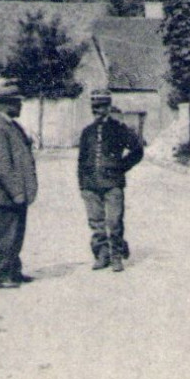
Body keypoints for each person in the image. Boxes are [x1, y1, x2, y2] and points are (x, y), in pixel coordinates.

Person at [0, 80, 38, 289]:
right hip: (5, 194)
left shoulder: (10, 125)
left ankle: (12, 270)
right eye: (17, 102)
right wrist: (17, 192)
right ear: (5, 103)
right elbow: (1, 166)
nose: (20, 106)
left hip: (14, 193)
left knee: (15, 233)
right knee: (5, 234)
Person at [76, 90, 144, 272]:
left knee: (114, 221)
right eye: (94, 107)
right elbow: (81, 160)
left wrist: (121, 166)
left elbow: (137, 150)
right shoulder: (87, 132)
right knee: (96, 223)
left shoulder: (119, 129)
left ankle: (116, 255)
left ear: (108, 107)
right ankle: (101, 254)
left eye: (101, 107)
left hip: (113, 183)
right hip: (91, 185)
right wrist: (82, 184)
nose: (97, 110)